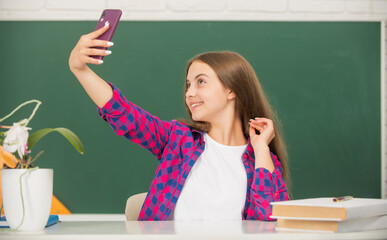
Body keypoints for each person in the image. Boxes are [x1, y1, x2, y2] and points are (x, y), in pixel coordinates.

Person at [69, 24, 289, 221]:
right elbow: (124, 114)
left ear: (231, 89)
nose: (190, 93)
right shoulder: (179, 139)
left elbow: (266, 224)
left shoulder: (263, 161)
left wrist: (261, 151)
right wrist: (79, 69)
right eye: (188, 85)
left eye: (201, 82)